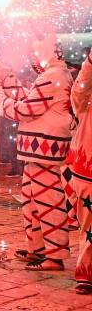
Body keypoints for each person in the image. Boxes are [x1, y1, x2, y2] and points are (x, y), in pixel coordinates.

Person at [0, 34, 74, 271]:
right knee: (32, 202)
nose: (34, 55)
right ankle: (38, 249)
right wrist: (6, 80)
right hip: (38, 151)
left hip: (45, 149)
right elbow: (30, 99)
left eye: (37, 50)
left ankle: (53, 256)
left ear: (52, 51)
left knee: (48, 202)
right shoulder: (53, 75)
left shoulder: (53, 76)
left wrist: (1, 102)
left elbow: (27, 109)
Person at [68, 49, 92, 294]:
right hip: (88, 167)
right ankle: (87, 273)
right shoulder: (86, 97)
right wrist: (89, 64)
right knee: (89, 223)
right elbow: (78, 92)